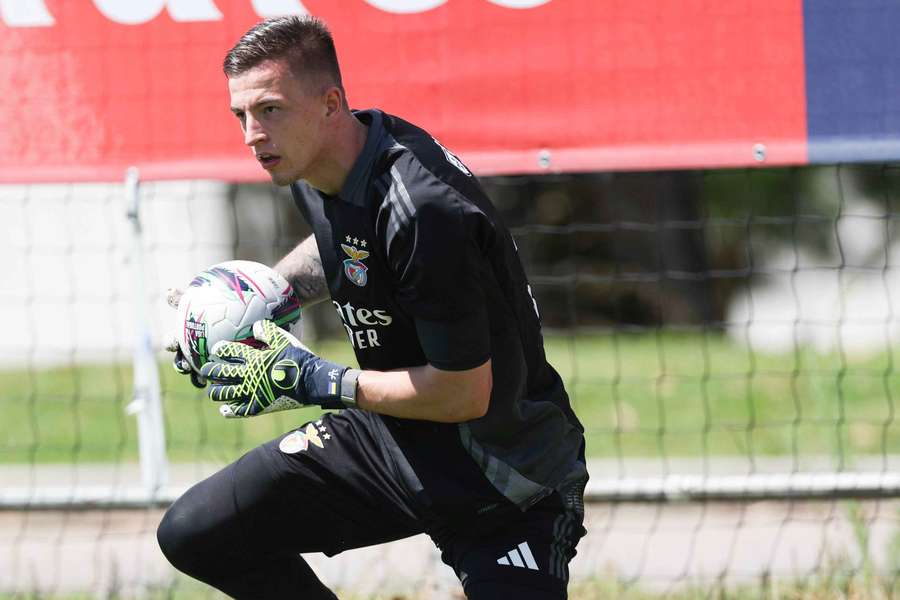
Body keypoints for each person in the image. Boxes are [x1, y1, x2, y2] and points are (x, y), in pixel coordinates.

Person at [156, 15, 588, 600]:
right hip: (393, 440)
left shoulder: (423, 212)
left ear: (331, 103)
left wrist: (314, 379)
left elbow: (464, 393)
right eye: (242, 115)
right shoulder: (327, 163)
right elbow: (350, 242)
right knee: (197, 532)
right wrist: (256, 301)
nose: (252, 135)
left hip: (507, 477)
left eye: (270, 110)